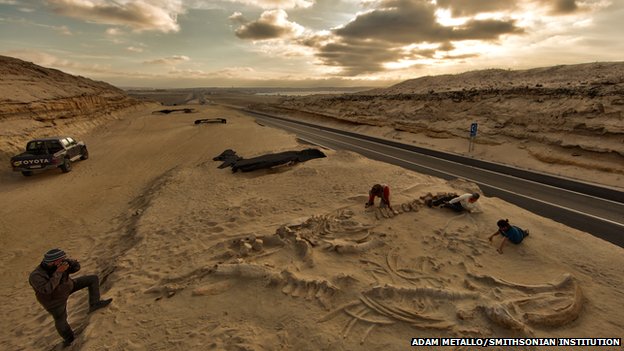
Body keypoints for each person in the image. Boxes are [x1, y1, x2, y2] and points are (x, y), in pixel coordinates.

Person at [29, 248, 113, 347]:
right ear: (55, 262)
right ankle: (69, 339)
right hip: (54, 300)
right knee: (61, 320)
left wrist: (73, 264)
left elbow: (76, 269)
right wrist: (59, 272)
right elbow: (47, 289)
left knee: (93, 279)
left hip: (68, 287)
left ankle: (94, 303)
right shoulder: (36, 276)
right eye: (62, 259)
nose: (64, 260)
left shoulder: (62, 264)